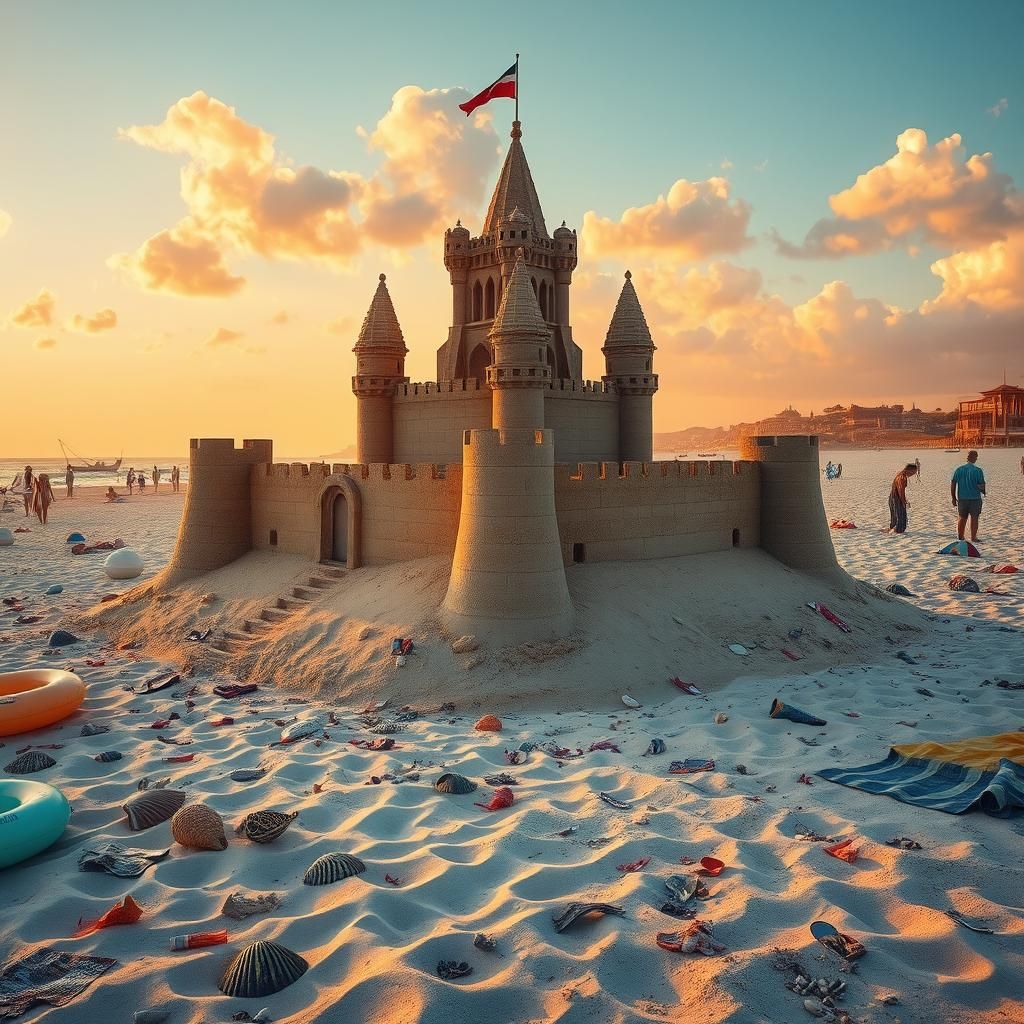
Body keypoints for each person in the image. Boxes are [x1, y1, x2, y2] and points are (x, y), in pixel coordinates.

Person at [951, 450, 986, 543]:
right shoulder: (978, 470)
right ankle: (973, 537)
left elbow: (953, 483)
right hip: (975, 498)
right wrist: (983, 491)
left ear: (967, 458)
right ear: (975, 458)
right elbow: (981, 485)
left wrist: (953, 497)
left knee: (962, 518)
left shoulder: (959, 469)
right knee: (974, 518)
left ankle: (960, 537)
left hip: (962, 498)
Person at [888, 463, 918, 534]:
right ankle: (896, 531)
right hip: (896, 498)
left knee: (895, 517)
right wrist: (903, 501)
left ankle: (893, 530)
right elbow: (900, 490)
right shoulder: (902, 477)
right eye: (913, 472)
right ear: (909, 470)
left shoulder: (900, 474)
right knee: (900, 517)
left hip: (893, 497)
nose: (913, 474)